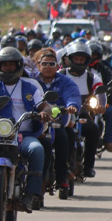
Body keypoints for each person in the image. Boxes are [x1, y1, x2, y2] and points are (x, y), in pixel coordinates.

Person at [0, 47, 53, 212]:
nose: (8, 68)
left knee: (37, 149)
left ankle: (31, 194)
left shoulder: (30, 86)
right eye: (5, 65)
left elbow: (44, 105)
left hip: (24, 135)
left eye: (12, 65)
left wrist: (44, 113)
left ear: (19, 65)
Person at [33, 48, 81, 196]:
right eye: (44, 64)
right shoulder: (31, 81)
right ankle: (35, 179)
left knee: (63, 139)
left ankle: (62, 177)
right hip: (37, 124)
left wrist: (71, 106)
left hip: (58, 122)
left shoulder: (65, 82)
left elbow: (72, 95)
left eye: (51, 64)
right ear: (38, 65)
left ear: (58, 66)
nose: (48, 67)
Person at [61, 42, 105, 178]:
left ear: (87, 60)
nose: (79, 62)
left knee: (93, 131)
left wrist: (100, 105)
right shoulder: (60, 75)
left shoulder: (92, 77)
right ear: (70, 59)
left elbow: (101, 93)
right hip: (63, 114)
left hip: (83, 114)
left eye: (82, 59)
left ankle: (88, 166)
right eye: (76, 59)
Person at [88, 39, 112, 153]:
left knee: (111, 112)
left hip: (99, 99)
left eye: (95, 55)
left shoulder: (104, 67)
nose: (92, 57)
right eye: (90, 54)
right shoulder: (78, 69)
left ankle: (108, 140)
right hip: (82, 101)